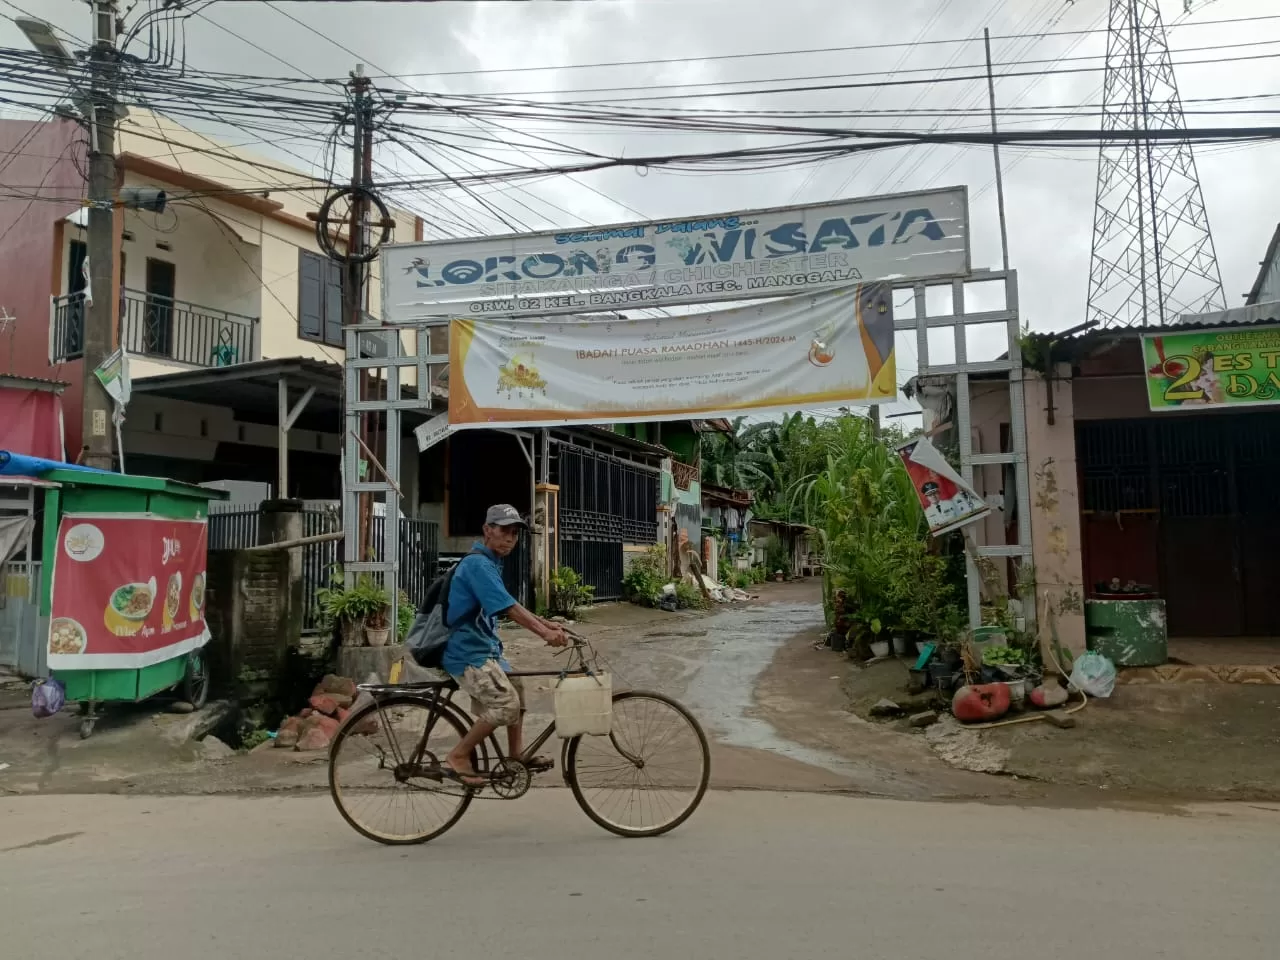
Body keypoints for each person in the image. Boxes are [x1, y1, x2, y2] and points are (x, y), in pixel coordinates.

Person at [442, 504, 568, 786]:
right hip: (466, 654)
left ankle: (515, 756)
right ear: (487, 530)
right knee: (506, 703)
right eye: (504, 531)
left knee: (518, 686)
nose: (510, 538)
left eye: (515, 533)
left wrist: (546, 624)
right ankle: (459, 756)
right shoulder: (477, 565)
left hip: (484, 649)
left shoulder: (489, 563)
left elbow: (511, 603)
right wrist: (543, 633)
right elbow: (509, 609)